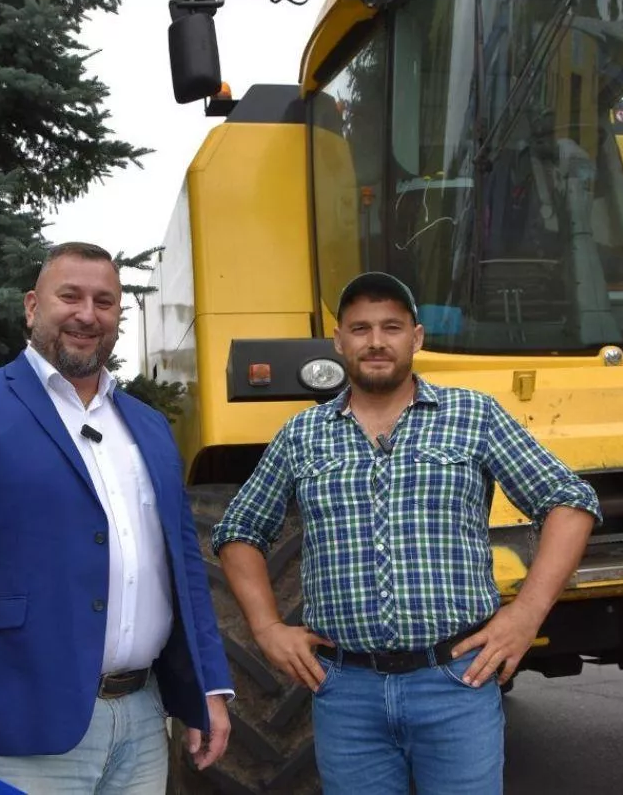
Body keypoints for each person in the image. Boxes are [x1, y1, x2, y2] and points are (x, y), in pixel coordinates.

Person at [212, 271, 602, 795]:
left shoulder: (473, 415)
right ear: (339, 341)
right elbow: (240, 529)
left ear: (415, 338)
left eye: (391, 327)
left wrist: (527, 613)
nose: (376, 341)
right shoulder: (301, 434)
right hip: (344, 691)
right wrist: (265, 628)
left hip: (456, 682)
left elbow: (570, 502)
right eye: (361, 328)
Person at [0, 241, 233, 795]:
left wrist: (210, 686)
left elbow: (183, 571)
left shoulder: (150, 427)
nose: (88, 314)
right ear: (33, 307)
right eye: (71, 296)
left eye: (105, 302)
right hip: (18, 727)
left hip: (141, 720)